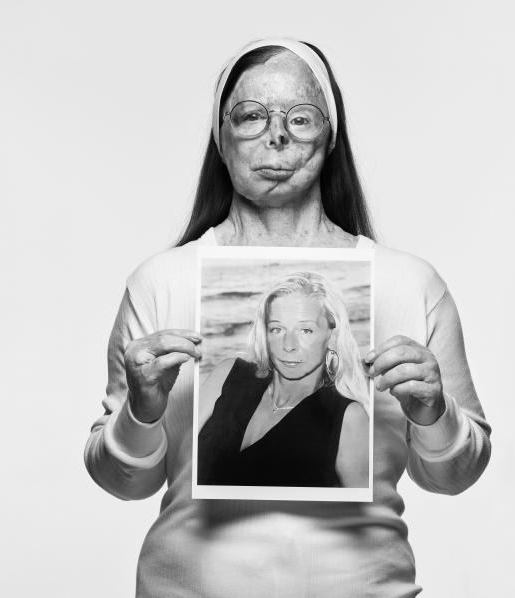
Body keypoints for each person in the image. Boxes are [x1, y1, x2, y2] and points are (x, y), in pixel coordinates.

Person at [84, 38, 492, 597]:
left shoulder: (408, 283)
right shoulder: (161, 282)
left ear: (331, 136)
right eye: (251, 116)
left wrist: (435, 413)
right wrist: (141, 410)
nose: (276, 136)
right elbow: (122, 482)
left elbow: (455, 476)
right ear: (219, 137)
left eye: (299, 118)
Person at [196, 271, 370, 488]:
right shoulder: (227, 374)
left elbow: (359, 513)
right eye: (277, 329)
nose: (288, 345)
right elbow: (181, 460)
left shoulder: (347, 418)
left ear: (332, 336)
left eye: (305, 330)